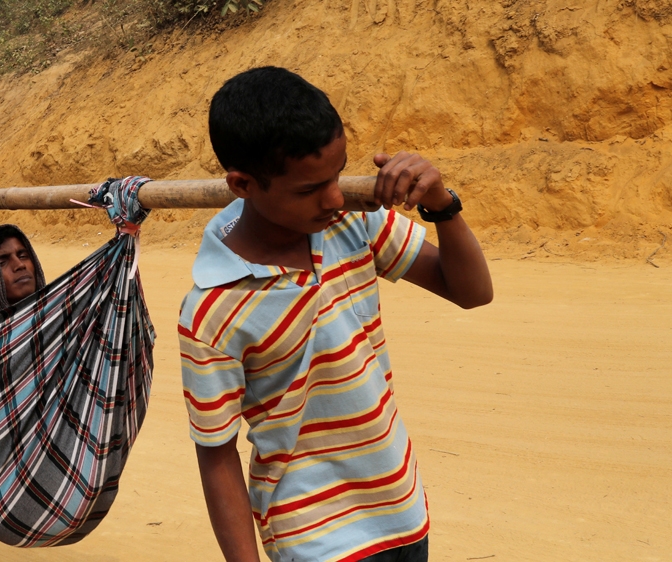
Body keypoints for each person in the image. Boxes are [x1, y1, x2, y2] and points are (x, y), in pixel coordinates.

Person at [178, 67, 493, 562]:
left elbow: (473, 292)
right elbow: (216, 455)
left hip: (402, 510)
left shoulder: (353, 222)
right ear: (243, 184)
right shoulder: (212, 309)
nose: (333, 197)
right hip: (313, 537)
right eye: (308, 189)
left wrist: (441, 205)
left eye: (339, 174)